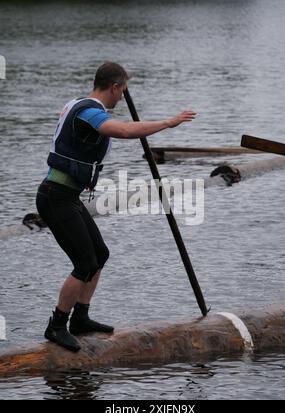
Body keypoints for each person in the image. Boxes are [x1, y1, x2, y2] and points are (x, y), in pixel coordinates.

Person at [36, 62, 197, 352]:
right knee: (83, 263)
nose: (123, 97)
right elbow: (121, 130)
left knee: (99, 254)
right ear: (114, 87)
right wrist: (168, 123)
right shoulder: (89, 111)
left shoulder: (77, 103)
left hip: (66, 196)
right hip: (55, 196)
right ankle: (57, 325)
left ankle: (80, 318)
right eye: (122, 90)